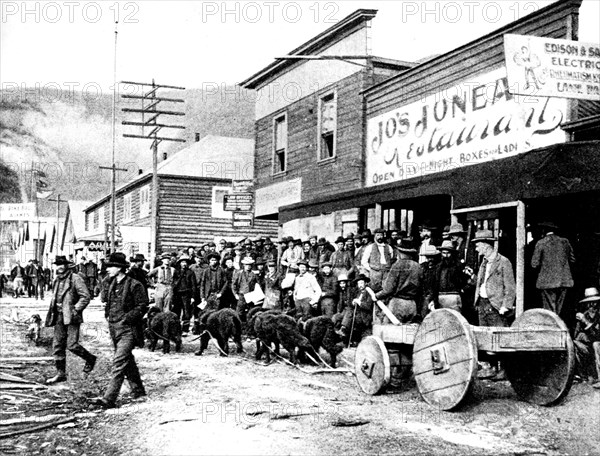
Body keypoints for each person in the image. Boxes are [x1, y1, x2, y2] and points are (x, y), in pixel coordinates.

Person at [92, 252, 147, 408]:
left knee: (119, 361)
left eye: (111, 266)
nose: (108, 269)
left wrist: (128, 318)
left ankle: (109, 398)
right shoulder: (111, 283)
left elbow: (142, 306)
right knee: (126, 359)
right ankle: (138, 389)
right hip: (114, 328)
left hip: (128, 330)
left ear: (120, 268)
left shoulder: (135, 285)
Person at [44, 256, 96, 384]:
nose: (59, 267)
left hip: (71, 316)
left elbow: (85, 296)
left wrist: (75, 309)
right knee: (57, 345)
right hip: (59, 316)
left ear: (67, 265)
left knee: (72, 345)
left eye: (62, 264)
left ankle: (90, 359)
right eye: (57, 264)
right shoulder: (56, 280)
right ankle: (61, 374)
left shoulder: (75, 278)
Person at [473, 229, 516, 380]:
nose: (476, 248)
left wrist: (506, 305)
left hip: (496, 305)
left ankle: (504, 369)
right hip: (483, 304)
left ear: (486, 245)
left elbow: (510, 287)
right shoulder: (483, 263)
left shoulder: (503, 262)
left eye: (478, 245)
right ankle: (491, 368)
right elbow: (481, 283)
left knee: (500, 338)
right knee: (485, 339)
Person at [531, 222, 575, 315]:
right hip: (564, 281)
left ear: (543, 230)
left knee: (550, 310)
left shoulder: (541, 243)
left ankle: (553, 327)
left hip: (547, 282)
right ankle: (559, 326)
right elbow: (573, 259)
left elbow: (534, 264)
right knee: (559, 309)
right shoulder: (565, 241)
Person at [374, 238, 422, 324]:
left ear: (400, 252)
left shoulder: (397, 266)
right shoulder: (418, 267)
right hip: (412, 305)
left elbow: (388, 289)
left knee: (391, 331)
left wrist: (377, 296)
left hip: (397, 304)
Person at [573, 287, 600, 388]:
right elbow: (578, 334)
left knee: (596, 344)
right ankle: (583, 376)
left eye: (594, 302)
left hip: (598, 345)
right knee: (575, 344)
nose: (591, 306)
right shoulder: (585, 315)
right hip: (590, 346)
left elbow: (598, 335)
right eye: (588, 303)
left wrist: (586, 322)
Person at [338, 273, 375, 345]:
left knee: (350, 313)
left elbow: (368, 306)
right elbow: (354, 304)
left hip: (365, 315)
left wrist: (359, 302)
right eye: (358, 283)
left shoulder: (369, 292)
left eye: (361, 283)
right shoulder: (358, 292)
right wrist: (353, 302)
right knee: (348, 311)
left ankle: (343, 329)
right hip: (358, 313)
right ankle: (345, 333)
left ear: (366, 283)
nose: (360, 285)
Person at [431, 240, 466, 313]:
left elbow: (464, 282)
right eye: (444, 253)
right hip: (441, 296)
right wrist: (434, 300)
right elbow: (434, 285)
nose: (446, 256)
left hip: (454, 296)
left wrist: (461, 291)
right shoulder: (437, 267)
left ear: (452, 253)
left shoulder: (458, 266)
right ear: (441, 253)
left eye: (448, 253)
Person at [362, 228, 396, 293]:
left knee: (386, 291)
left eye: (381, 235)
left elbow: (392, 259)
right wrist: (371, 269)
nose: (380, 237)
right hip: (375, 274)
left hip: (386, 273)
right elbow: (364, 261)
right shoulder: (370, 247)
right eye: (378, 235)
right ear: (375, 236)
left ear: (384, 236)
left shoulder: (389, 247)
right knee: (374, 291)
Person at [172, 254, 198, 335]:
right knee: (176, 311)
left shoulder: (190, 272)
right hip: (177, 294)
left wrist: (193, 297)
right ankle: (176, 329)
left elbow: (193, 285)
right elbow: (172, 283)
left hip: (187, 294)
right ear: (180, 263)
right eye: (182, 262)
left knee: (187, 312)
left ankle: (185, 330)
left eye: (185, 262)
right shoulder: (176, 272)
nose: (184, 264)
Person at [232, 257, 258, 322]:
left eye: (250, 265)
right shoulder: (239, 273)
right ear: (244, 265)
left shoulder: (254, 274)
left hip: (251, 295)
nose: (248, 266)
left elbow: (258, 285)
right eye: (247, 265)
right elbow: (233, 284)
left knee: (251, 312)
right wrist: (235, 294)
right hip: (242, 295)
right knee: (239, 312)